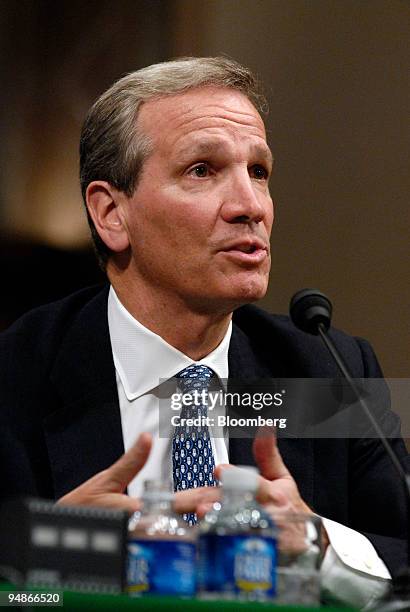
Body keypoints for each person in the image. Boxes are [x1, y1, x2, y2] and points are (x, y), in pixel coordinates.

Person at [0, 57, 407, 607]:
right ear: (111, 213)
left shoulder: (325, 369)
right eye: (202, 170)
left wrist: (319, 547)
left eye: (258, 172)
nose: (250, 207)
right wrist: (60, 551)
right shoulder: (16, 372)